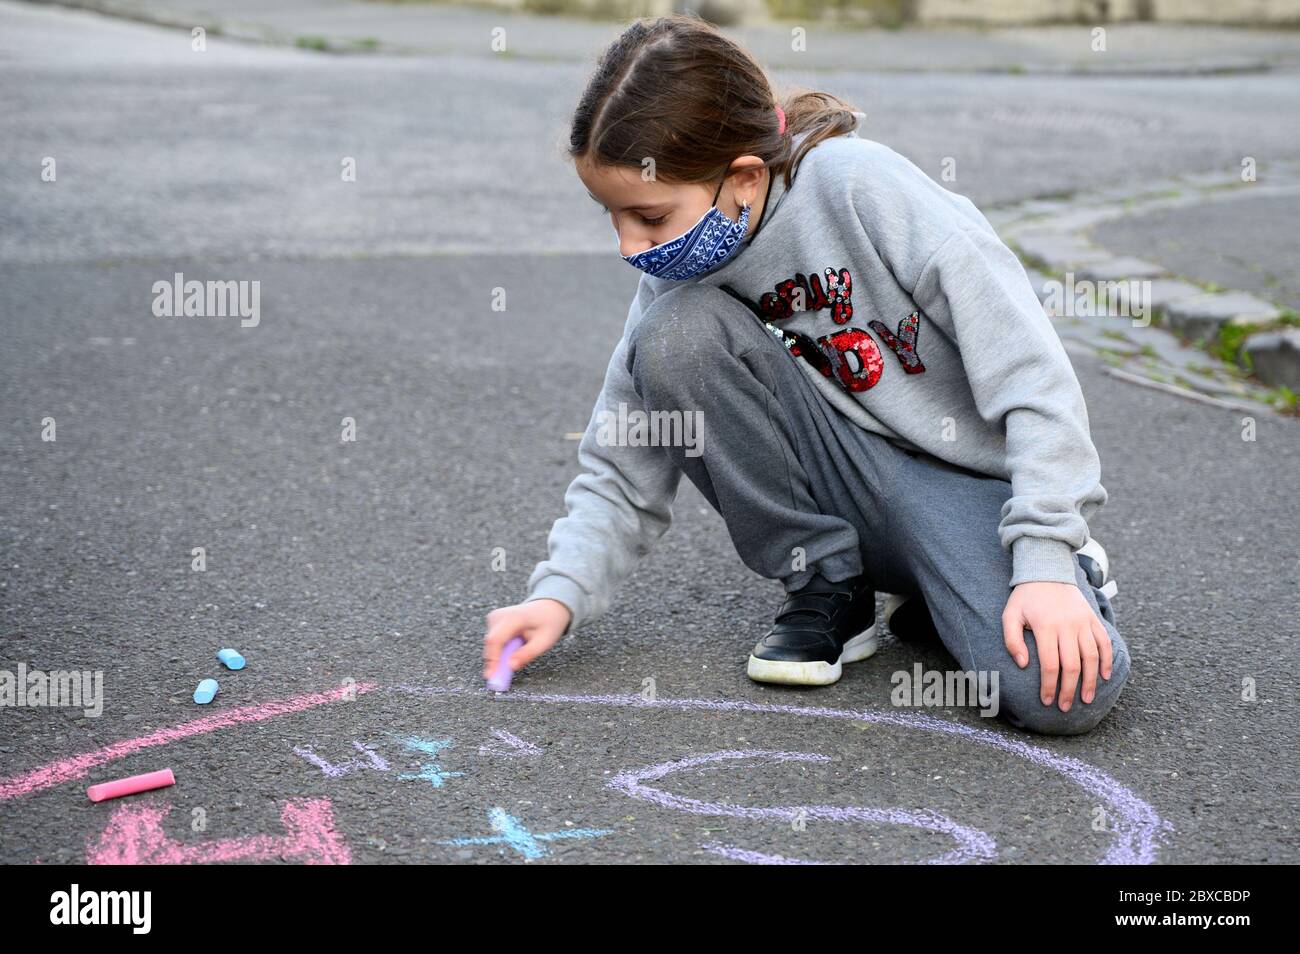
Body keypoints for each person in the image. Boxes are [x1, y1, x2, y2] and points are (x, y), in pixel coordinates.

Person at [483, 13, 1131, 735]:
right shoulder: (679, 272)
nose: (630, 246)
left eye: (648, 216)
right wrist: (558, 596)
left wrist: (1044, 559)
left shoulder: (864, 189)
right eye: (612, 217)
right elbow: (625, 451)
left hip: (960, 485)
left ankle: (1032, 571)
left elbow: (1035, 379)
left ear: (743, 177)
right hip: (849, 486)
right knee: (675, 339)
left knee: (1061, 697)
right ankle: (830, 580)